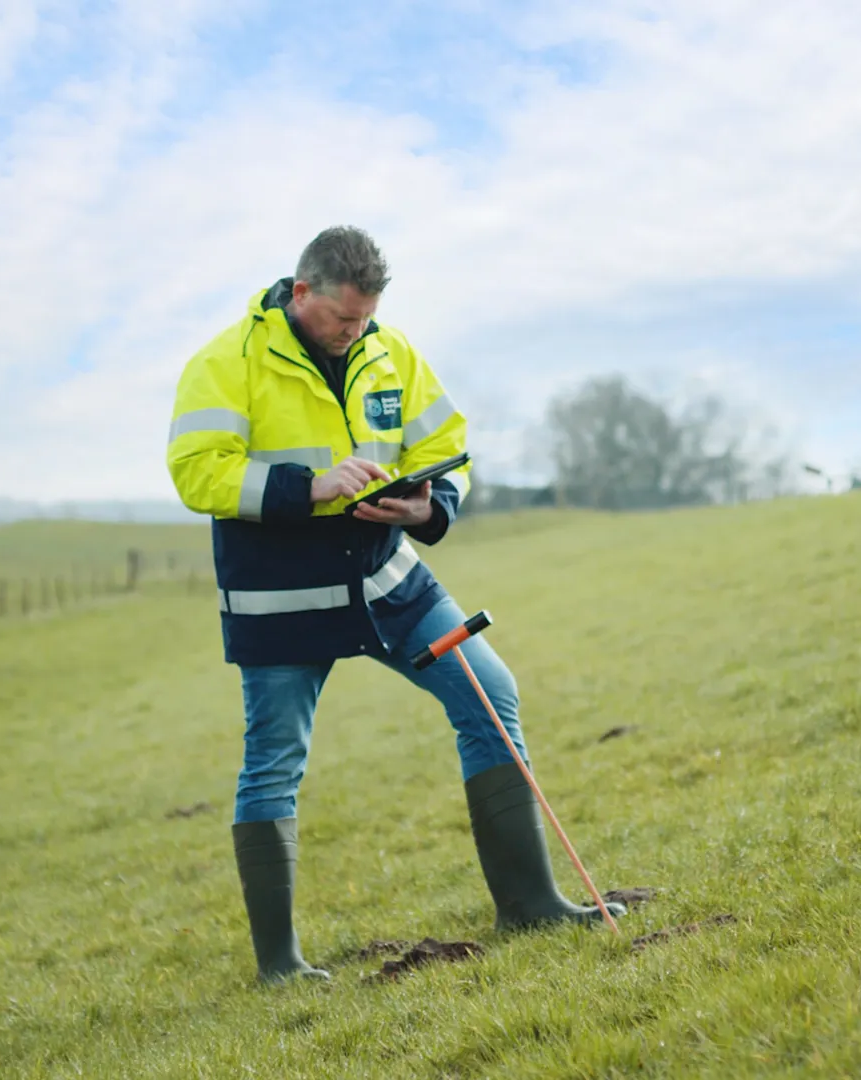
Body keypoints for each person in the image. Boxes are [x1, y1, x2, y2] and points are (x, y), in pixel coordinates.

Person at [166, 226, 624, 982]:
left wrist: (427, 506)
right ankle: (280, 966)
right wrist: (306, 488)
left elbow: (444, 440)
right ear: (301, 291)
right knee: (273, 766)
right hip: (283, 600)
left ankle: (531, 903)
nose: (355, 334)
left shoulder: (391, 350)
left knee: (492, 695)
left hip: (389, 578)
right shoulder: (224, 362)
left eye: (365, 320)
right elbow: (195, 471)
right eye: (343, 320)